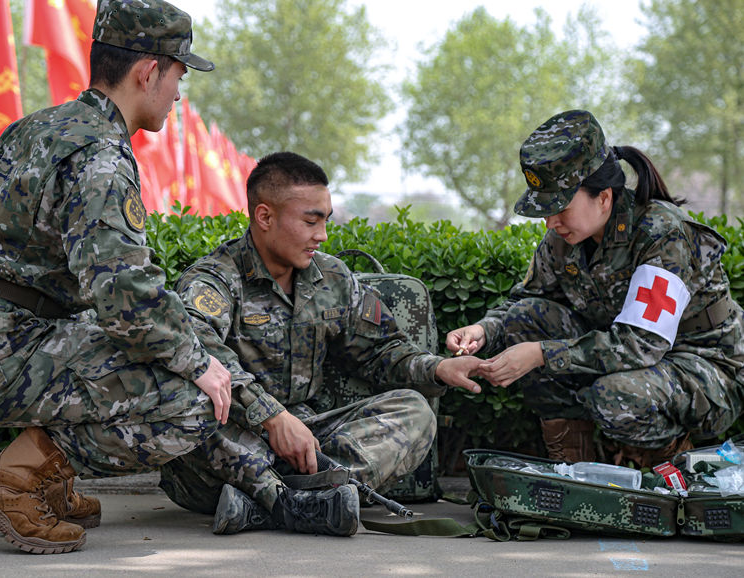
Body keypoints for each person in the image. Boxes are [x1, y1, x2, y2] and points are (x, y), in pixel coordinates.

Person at [0, 0, 325, 556]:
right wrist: (204, 367)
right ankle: (17, 477)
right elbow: (124, 296)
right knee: (191, 400)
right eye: (179, 75)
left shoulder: (41, 126)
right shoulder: (101, 154)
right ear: (149, 71)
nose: (179, 93)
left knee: (157, 349)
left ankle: (45, 474)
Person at [157, 151, 485, 535]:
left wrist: (439, 367)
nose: (323, 235)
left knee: (414, 412)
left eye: (325, 220)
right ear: (265, 217)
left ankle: (275, 503)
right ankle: (303, 498)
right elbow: (199, 352)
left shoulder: (332, 277)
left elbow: (381, 350)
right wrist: (272, 417)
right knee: (196, 403)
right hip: (231, 448)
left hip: (308, 439)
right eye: (311, 221)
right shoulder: (213, 280)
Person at [447, 109, 744, 468]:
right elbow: (526, 303)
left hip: (708, 370)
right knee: (527, 319)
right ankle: (575, 465)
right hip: (641, 365)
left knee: (615, 395)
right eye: (545, 209)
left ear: (603, 197)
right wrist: (482, 330)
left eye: (560, 208)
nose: (550, 221)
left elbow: (640, 344)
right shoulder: (564, 239)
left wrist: (542, 354)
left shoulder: (661, 234)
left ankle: (665, 468)